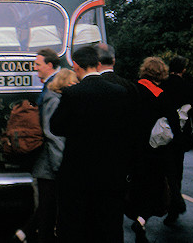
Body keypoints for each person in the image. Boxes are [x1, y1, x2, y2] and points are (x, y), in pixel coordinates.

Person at [50, 46, 133, 243]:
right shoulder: (120, 92)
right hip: (112, 174)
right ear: (97, 64)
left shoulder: (72, 94)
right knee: (110, 226)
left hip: (78, 174)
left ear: (76, 66)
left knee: (78, 227)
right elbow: (128, 131)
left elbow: (56, 127)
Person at [125, 56, 175, 243]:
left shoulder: (131, 90)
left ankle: (134, 215)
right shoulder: (161, 96)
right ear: (161, 73)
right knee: (154, 189)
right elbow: (173, 126)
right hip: (154, 152)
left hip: (131, 149)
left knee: (134, 187)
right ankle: (142, 219)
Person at [29, 69, 78, 243]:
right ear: (67, 83)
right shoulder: (54, 101)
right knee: (46, 215)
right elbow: (53, 136)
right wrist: (60, 167)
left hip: (49, 167)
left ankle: (24, 235)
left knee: (46, 213)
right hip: (48, 169)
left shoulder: (55, 99)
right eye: (73, 82)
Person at [161, 55, 193, 225]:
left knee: (164, 169)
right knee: (177, 170)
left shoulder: (163, 86)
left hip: (163, 133)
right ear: (184, 69)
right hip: (182, 136)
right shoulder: (190, 88)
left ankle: (172, 199)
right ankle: (175, 203)